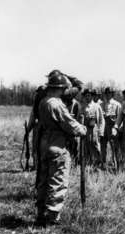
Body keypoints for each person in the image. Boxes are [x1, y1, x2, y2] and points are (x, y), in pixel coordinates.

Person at [35, 72, 86, 226]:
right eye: (64, 88)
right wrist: (83, 129)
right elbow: (69, 124)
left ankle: (41, 213)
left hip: (44, 143)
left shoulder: (43, 101)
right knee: (58, 179)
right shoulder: (56, 104)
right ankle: (52, 217)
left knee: (44, 179)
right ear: (61, 88)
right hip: (57, 144)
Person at [81, 88, 105, 167]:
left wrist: (101, 131)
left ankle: (98, 163)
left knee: (95, 145)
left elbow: (101, 120)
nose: (88, 97)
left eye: (89, 95)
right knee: (85, 146)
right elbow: (79, 118)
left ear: (92, 96)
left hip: (94, 129)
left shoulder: (97, 106)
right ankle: (88, 163)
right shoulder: (82, 106)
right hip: (85, 129)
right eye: (86, 96)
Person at [100, 87, 122, 169]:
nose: (108, 95)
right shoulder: (101, 104)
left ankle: (117, 165)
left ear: (112, 94)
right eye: (106, 93)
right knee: (102, 146)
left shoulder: (117, 104)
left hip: (112, 127)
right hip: (103, 127)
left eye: (109, 93)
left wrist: (117, 129)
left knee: (115, 146)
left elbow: (120, 118)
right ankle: (103, 164)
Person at [26, 85, 47, 170]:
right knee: (37, 147)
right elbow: (32, 118)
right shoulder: (44, 104)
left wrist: (28, 130)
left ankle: (38, 165)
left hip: (42, 128)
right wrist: (28, 130)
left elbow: (32, 118)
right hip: (40, 128)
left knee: (38, 147)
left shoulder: (42, 104)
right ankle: (37, 165)